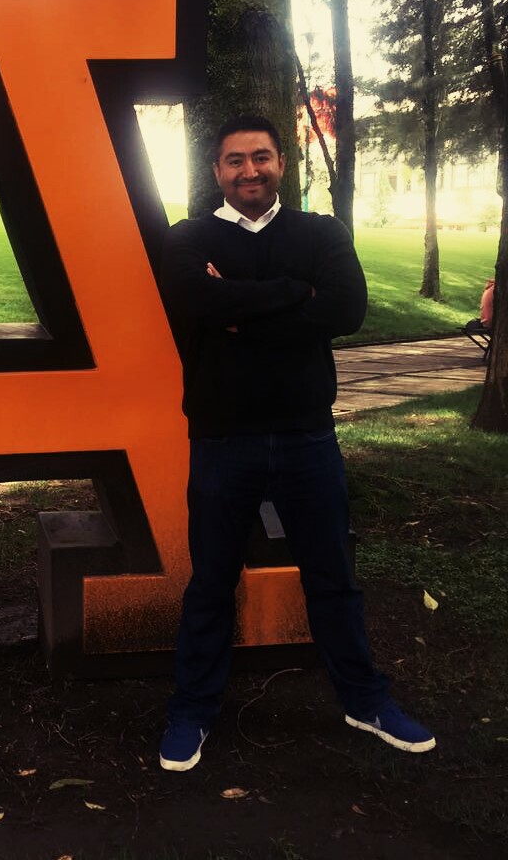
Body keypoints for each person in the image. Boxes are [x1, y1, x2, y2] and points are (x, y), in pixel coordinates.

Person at [158, 114, 435, 772]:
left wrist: (237, 306)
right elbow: (194, 302)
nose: (248, 170)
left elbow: (347, 308)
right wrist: (291, 295)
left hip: (309, 436)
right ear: (216, 171)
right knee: (211, 584)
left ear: (282, 162)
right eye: (234, 160)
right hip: (223, 440)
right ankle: (192, 710)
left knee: (333, 578)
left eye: (260, 157)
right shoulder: (188, 236)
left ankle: (364, 699)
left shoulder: (320, 231)